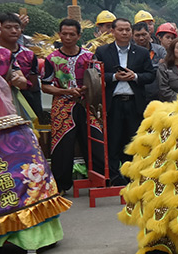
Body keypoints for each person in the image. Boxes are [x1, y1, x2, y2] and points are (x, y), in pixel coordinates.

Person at [39, 18, 105, 193]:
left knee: (95, 140)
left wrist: (86, 89)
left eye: (72, 34)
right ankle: (61, 185)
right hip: (62, 105)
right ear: (59, 35)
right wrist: (64, 92)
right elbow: (45, 86)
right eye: (64, 34)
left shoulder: (89, 57)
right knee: (62, 144)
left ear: (79, 35)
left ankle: (99, 180)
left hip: (87, 103)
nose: (67, 37)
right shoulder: (52, 59)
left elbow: (98, 80)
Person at [93, 17, 155, 184]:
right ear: (112, 31)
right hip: (113, 103)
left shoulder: (141, 52)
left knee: (133, 141)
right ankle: (114, 177)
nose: (125, 33)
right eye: (121, 30)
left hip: (134, 103)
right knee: (113, 141)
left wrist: (134, 76)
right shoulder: (103, 51)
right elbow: (95, 75)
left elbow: (150, 75)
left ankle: (132, 176)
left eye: (128, 29)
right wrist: (114, 77)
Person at [0, 12, 41, 118]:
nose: (13, 31)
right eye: (8, 27)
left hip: (24, 100)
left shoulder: (29, 55)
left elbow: (33, 83)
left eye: (17, 27)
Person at [134, 21, 166, 100]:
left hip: (158, 93)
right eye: (137, 35)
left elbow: (166, 67)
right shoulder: (130, 52)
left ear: (149, 34)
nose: (141, 38)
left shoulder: (160, 50)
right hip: (138, 93)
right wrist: (157, 66)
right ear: (132, 36)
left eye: (144, 34)